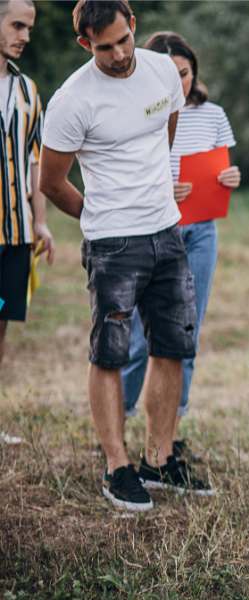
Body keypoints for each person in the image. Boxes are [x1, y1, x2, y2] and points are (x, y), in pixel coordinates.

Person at [39, 0, 212, 511]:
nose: (117, 54)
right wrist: (98, 216)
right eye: (104, 47)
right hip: (113, 242)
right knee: (110, 352)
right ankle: (117, 467)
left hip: (167, 232)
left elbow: (167, 133)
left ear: (134, 25)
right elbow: (51, 181)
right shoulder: (72, 100)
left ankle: (160, 459)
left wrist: (154, 195)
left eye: (123, 40)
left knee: (173, 347)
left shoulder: (162, 71)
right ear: (84, 43)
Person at [120, 31, 240, 462]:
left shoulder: (213, 115)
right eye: (171, 73)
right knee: (139, 338)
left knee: (187, 333)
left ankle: (169, 433)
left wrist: (230, 178)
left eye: (185, 73)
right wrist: (162, 188)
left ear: (194, 72)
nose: (180, 81)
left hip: (201, 231)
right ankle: (119, 423)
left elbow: (222, 168)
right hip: (155, 230)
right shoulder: (139, 114)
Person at [0, 0, 52, 446]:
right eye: (17, 25)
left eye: (29, 28)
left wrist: (41, 222)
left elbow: (36, 162)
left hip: (14, 234)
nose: (25, 37)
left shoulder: (28, 91)